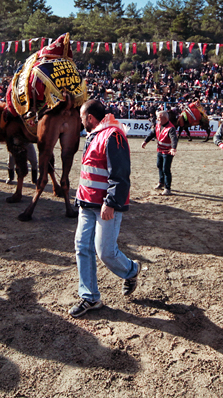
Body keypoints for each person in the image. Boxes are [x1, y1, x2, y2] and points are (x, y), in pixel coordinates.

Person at [69, 99, 139, 318]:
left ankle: (131, 270)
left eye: (82, 117)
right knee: (82, 247)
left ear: (90, 118)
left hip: (104, 207)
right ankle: (90, 297)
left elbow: (120, 174)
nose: (80, 122)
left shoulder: (113, 136)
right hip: (87, 204)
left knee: (105, 252)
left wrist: (110, 202)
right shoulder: (94, 135)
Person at [141, 109, 177, 195]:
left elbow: (174, 139)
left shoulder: (171, 128)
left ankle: (167, 188)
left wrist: (173, 148)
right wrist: (145, 141)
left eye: (158, 118)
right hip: (160, 150)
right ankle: (161, 182)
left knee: (166, 169)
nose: (157, 119)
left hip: (168, 152)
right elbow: (152, 134)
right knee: (159, 166)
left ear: (164, 118)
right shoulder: (158, 125)